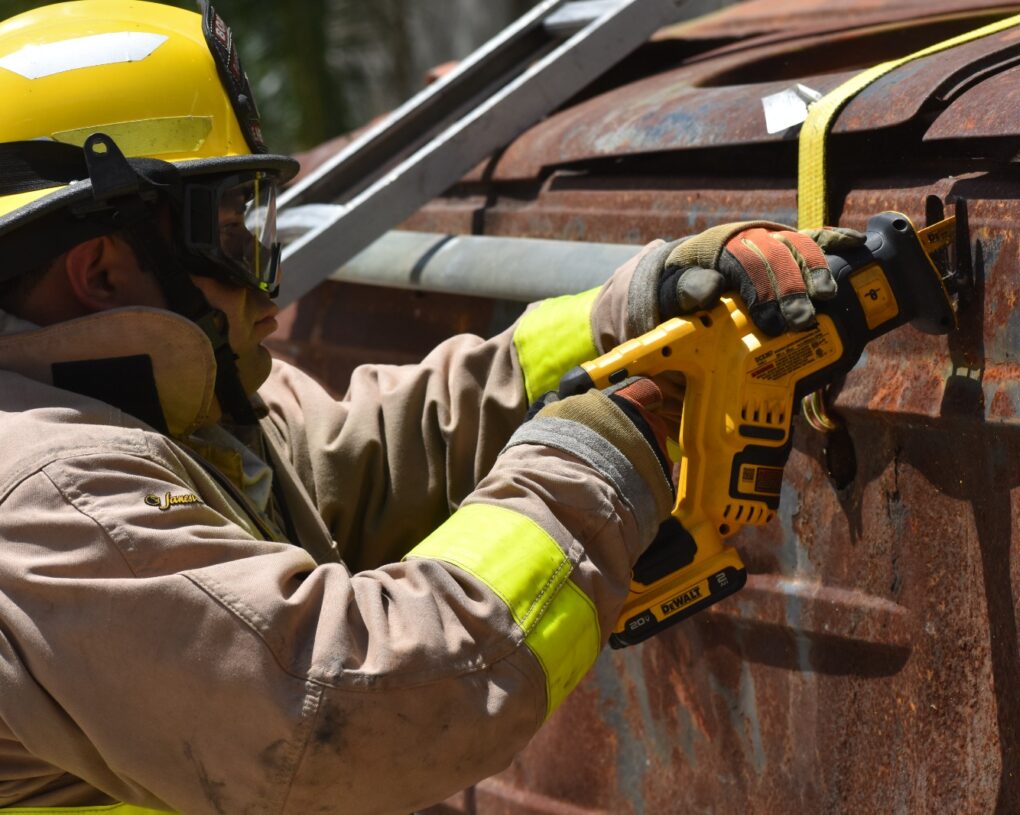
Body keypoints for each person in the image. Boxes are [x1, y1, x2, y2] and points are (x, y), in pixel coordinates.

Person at [0, 1, 862, 813]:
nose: (270, 289)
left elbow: (351, 460)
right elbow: (348, 707)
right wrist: (591, 462)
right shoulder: (50, 505)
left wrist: (632, 313)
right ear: (101, 270)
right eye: (229, 233)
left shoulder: (152, 408)